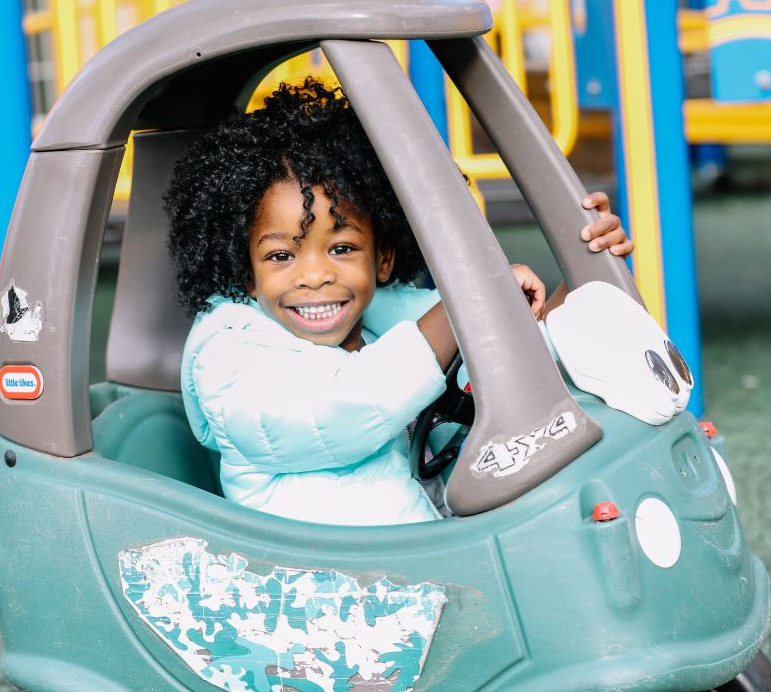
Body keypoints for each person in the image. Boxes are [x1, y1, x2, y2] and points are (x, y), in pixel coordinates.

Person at [164, 79, 633, 526]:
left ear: (382, 258)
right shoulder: (232, 361)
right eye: (281, 255)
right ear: (246, 273)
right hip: (327, 588)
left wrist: (580, 271)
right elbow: (346, 408)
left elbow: (515, 362)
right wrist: (464, 303)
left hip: (417, 560)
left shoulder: (381, 325)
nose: (314, 275)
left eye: (342, 248)